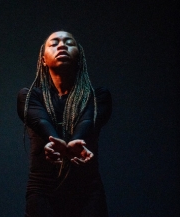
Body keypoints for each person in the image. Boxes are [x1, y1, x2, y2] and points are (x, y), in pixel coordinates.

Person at [17, 31, 112, 217]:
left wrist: (73, 142)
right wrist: (59, 142)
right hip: (43, 192)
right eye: (54, 43)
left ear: (79, 57)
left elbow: (87, 121)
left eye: (69, 43)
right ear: (43, 60)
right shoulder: (29, 97)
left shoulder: (97, 97)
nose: (62, 45)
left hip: (87, 193)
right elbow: (41, 121)